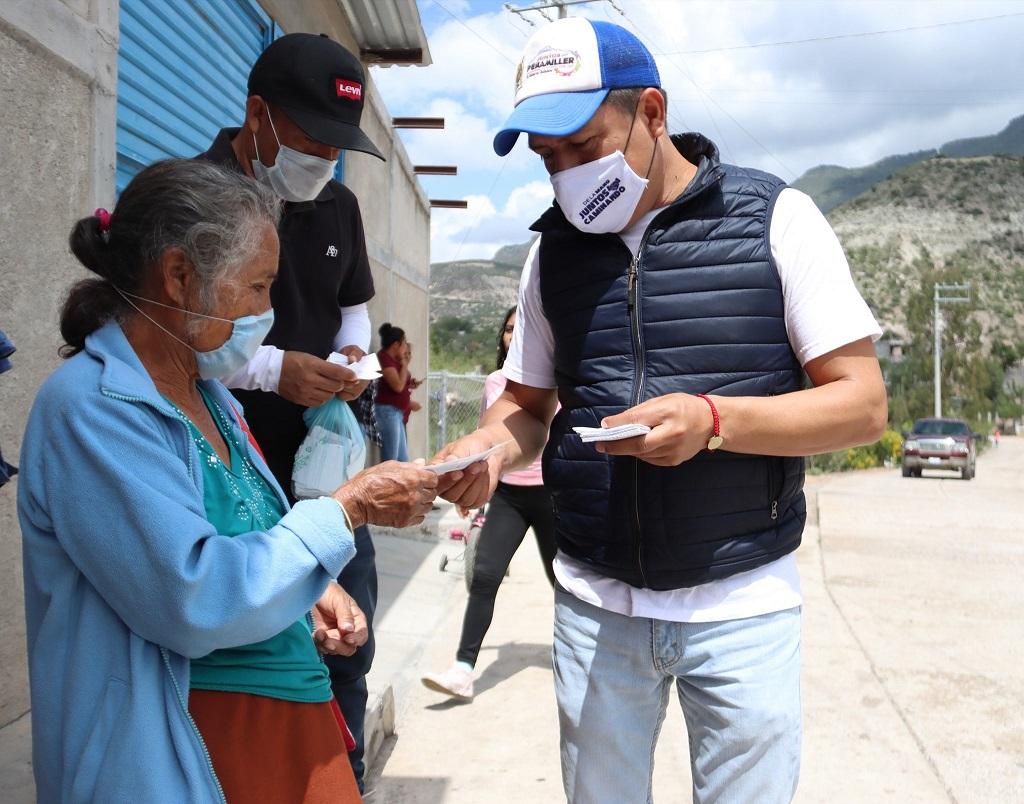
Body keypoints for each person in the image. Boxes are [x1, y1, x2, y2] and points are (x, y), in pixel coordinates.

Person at [434, 18, 887, 804]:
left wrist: (715, 422)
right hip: (595, 604)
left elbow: (862, 406)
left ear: (651, 112)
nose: (565, 175)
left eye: (582, 145)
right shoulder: (552, 254)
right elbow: (529, 405)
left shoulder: (776, 220)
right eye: (548, 160)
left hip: (742, 602)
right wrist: (488, 449)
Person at [16, 159, 442, 803]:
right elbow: (192, 596)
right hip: (185, 754)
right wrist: (346, 509)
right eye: (257, 286)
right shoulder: (92, 409)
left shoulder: (212, 396)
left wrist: (308, 590)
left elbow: (252, 535)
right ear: (181, 275)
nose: (267, 311)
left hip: (280, 728)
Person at [196, 33, 384, 788]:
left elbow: (355, 314)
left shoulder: (335, 205)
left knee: (347, 637)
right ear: (258, 117)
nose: (326, 162)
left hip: (325, 472)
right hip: (230, 467)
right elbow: (170, 332)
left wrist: (353, 364)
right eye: (312, 142)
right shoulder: (191, 197)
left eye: (339, 149)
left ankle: (345, 774)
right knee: (246, 654)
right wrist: (273, 371)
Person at [422, 306, 557, 700]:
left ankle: (581, 658)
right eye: (509, 330)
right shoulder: (496, 383)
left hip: (551, 494)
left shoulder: (555, 381)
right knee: (484, 576)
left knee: (564, 582)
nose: (514, 337)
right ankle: (463, 670)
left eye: (522, 329)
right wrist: (474, 488)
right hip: (510, 495)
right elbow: (487, 438)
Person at [376, 322, 419, 462]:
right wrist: (405, 364)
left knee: (402, 460)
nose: (406, 345)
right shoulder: (384, 359)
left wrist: (410, 382)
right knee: (391, 458)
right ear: (396, 345)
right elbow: (398, 386)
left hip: (396, 413)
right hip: (387, 411)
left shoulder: (393, 362)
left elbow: (401, 383)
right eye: (404, 342)